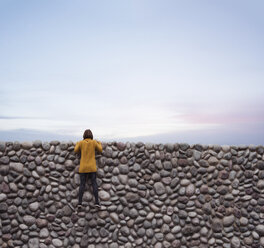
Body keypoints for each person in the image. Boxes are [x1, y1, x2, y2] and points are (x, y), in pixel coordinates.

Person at [74, 129, 103, 209]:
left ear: (84, 135)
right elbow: (100, 150)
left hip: (83, 168)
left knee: (82, 185)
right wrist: (99, 143)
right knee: (94, 184)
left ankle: (80, 203)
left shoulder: (81, 143)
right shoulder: (93, 142)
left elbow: (75, 150)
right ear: (91, 135)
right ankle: (97, 202)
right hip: (92, 167)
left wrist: (77, 144)